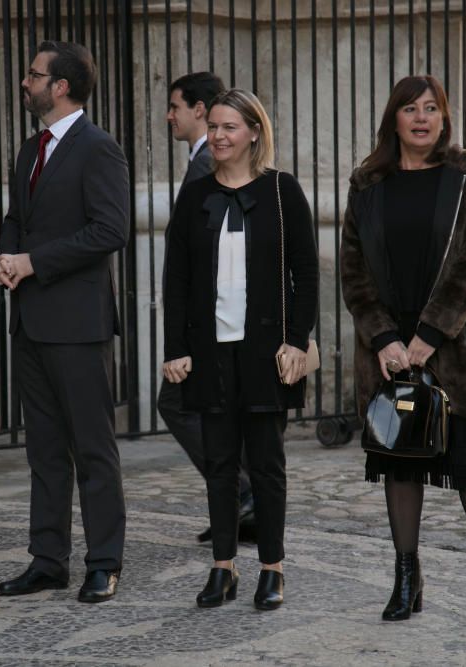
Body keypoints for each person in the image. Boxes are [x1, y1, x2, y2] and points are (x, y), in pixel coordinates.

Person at [339, 74, 466, 631]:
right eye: (410, 109)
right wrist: (385, 338)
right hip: (388, 354)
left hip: (451, 350)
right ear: (392, 118)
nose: (421, 118)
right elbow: (354, 272)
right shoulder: (367, 183)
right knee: (400, 464)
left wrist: (428, 336)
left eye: (432, 109)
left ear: (444, 119)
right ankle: (406, 577)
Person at [163, 88, 318, 611]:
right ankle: (222, 568)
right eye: (214, 127)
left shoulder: (281, 191)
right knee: (221, 464)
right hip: (210, 352)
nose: (219, 136)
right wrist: (176, 348)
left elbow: (307, 275)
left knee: (268, 465)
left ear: (254, 132)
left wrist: (297, 341)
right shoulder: (195, 195)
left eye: (230, 127)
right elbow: (177, 278)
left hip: (265, 353)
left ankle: (272, 568)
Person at [0, 41, 129, 603]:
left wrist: (34, 263)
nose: (25, 82)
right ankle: (48, 560)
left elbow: (110, 230)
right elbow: (15, 218)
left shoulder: (99, 149)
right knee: (43, 452)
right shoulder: (29, 150)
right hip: (30, 323)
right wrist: (7, 257)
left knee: (93, 450)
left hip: (78, 326)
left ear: (61, 86)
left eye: (33, 74)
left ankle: (104, 562)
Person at [161, 71, 257, 543]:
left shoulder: (207, 167)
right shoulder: (201, 163)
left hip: (212, 320)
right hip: (215, 319)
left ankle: (241, 492)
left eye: (175, 106)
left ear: (199, 109)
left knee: (177, 402)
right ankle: (240, 502)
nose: (169, 116)